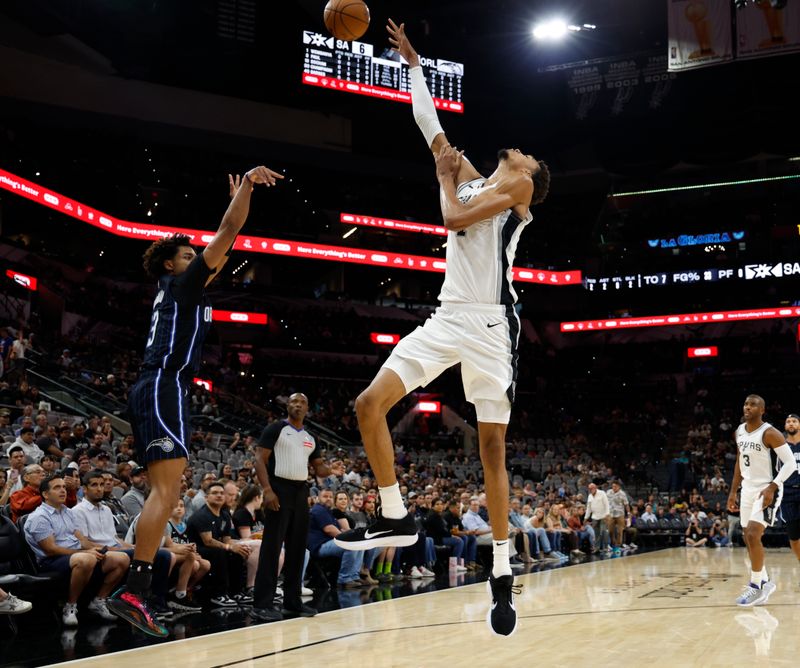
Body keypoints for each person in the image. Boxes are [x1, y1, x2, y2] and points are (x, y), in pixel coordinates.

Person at [333, 19, 550, 638]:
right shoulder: (482, 180)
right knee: (368, 404)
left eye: (529, 156)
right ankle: (396, 513)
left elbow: (452, 214)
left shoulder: (519, 189)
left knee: (491, 450)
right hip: (445, 317)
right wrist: (415, 68)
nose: (522, 151)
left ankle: (503, 570)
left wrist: (443, 175)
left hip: (490, 325)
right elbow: (432, 133)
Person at [107, 164, 283, 636]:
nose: (199, 258)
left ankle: (138, 590)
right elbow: (228, 233)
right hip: (164, 385)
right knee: (165, 492)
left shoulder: (181, 288)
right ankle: (135, 590)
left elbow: (225, 246)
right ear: (172, 264)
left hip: (161, 387)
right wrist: (245, 189)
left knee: (165, 493)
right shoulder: (181, 285)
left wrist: (233, 207)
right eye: (189, 254)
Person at [251, 392, 344, 622]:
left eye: (302, 402)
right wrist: (267, 490)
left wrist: (332, 469)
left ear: (308, 408)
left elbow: (319, 469)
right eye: (293, 401)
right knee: (272, 548)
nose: (297, 405)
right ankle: (261, 603)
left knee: (297, 549)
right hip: (278, 489)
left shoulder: (311, 438)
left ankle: (292, 603)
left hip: (301, 492)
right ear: (288, 406)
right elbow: (259, 459)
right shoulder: (276, 429)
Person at [23, 475, 128, 626]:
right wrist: (86, 553)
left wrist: (97, 549)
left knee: (121, 558)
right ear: (45, 494)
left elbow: (82, 540)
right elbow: (51, 550)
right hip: (50, 561)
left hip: (74, 555)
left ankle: (99, 601)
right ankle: (70, 606)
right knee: (87, 559)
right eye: (57, 488)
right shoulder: (39, 517)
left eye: (64, 487)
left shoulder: (67, 512)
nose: (63, 491)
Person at [727, 395, 797, 607]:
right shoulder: (739, 431)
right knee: (748, 538)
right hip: (747, 490)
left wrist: (772, 486)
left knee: (753, 533)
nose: (748, 407)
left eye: (753, 404)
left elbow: (790, 463)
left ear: (762, 410)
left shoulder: (770, 433)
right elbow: (740, 461)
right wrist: (733, 492)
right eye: (746, 403)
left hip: (767, 489)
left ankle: (756, 586)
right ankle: (764, 581)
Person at [778, 413, 800, 566]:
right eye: (788, 421)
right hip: (786, 492)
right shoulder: (779, 447)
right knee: (793, 535)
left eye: (794, 421)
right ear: (785, 426)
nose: (791, 423)